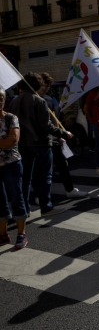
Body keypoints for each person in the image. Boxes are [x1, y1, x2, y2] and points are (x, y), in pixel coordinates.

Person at [8, 73, 73, 216]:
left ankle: (24, 209)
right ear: (37, 85)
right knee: (44, 177)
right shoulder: (39, 101)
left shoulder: (13, 102)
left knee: (25, 179)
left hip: (22, 145)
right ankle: (46, 207)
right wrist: (64, 133)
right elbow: (46, 126)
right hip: (41, 144)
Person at [38, 73, 88, 199]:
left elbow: (54, 118)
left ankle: (70, 189)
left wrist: (59, 135)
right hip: (39, 139)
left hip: (53, 138)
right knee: (42, 169)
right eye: (44, 85)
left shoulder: (48, 99)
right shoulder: (34, 100)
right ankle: (39, 196)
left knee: (63, 164)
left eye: (48, 85)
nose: (46, 88)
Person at [0, 87, 29, 249]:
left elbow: (12, 141)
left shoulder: (11, 118)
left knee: (16, 197)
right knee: (0, 200)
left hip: (11, 164)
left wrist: (6, 141)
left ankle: (21, 234)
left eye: (1, 98)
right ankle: (3, 235)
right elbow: (6, 141)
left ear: (5, 100)